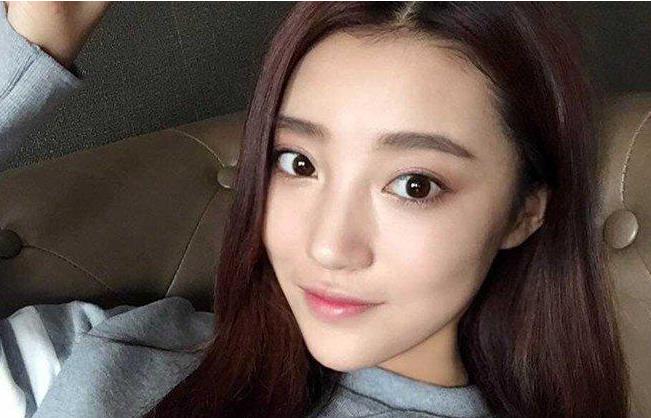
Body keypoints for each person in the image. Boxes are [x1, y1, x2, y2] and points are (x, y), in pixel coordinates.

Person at [0, 2, 631, 418]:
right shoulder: (118, 353)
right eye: (299, 163)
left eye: (414, 185)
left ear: (524, 211)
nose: (329, 246)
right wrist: (33, 44)